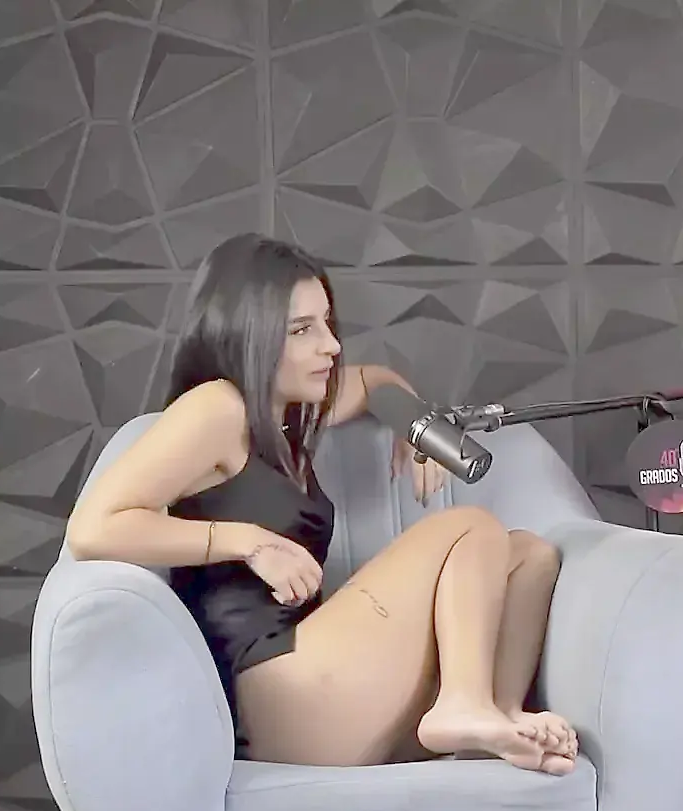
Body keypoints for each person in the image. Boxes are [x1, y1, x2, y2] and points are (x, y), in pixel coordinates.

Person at [65, 234, 579, 775]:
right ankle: (463, 704)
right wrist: (247, 542)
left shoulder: (285, 410)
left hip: (323, 695)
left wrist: (417, 424)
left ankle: (495, 720)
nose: (331, 345)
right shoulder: (216, 408)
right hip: (278, 692)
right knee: (470, 526)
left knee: (530, 556)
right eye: (302, 330)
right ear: (249, 334)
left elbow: (374, 382)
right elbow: (92, 528)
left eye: (327, 324)